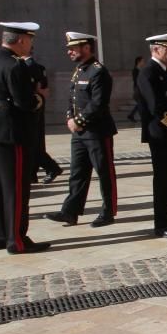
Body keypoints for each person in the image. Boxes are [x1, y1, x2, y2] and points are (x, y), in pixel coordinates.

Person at [0, 21, 49, 253]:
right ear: (20, 40)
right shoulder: (13, 66)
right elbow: (25, 102)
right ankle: (16, 239)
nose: (30, 45)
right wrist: (40, 98)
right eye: (29, 40)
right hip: (10, 131)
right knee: (15, 187)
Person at [44, 32, 117, 228]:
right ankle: (70, 211)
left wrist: (80, 120)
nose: (69, 52)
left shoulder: (98, 71)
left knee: (104, 172)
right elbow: (72, 98)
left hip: (97, 131)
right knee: (77, 172)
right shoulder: (79, 70)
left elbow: (98, 103)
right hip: (79, 132)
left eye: (73, 48)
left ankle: (108, 211)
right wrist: (70, 117)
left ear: (86, 48)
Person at [136, 32, 167, 238]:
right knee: (163, 179)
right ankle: (161, 222)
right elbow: (156, 107)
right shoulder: (148, 72)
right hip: (159, 134)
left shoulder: (163, 71)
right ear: (156, 49)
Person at [23, 56, 63, 184]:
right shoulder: (34, 66)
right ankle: (32, 174)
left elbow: (40, 88)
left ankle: (51, 168)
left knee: (31, 143)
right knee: (33, 142)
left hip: (31, 108)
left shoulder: (29, 66)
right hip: (34, 107)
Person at [127, 56, 144, 122]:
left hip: (140, 88)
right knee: (140, 103)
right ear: (138, 62)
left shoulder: (140, 70)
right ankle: (140, 117)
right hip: (138, 89)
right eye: (142, 61)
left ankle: (131, 115)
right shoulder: (135, 70)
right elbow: (136, 80)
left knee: (140, 103)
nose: (143, 62)